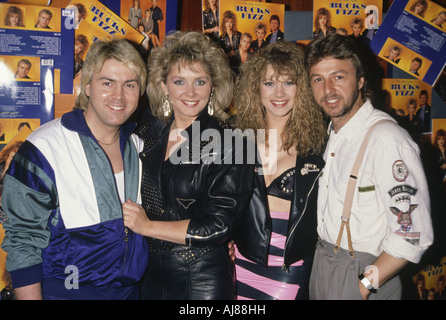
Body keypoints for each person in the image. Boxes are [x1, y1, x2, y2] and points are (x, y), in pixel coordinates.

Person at [1, 39, 149, 300]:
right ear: (87, 86)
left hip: (128, 293)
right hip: (65, 293)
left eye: (130, 84)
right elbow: (23, 241)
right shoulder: (45, 146)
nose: (119, 95)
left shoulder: (139, 147)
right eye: (107, 83)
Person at [123, 31, 254, 300]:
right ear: (163, 86)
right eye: (179, 81)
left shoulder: (231, 142)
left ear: (213, 86)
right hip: (147, 275)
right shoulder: (146, 132)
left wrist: (147, 226)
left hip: (201, 280)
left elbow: (218, 225)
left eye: (200, 81)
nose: (190, 92)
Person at [304, 34, 433, 300]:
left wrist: (362, 285)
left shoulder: (386, 139)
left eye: (338, 77)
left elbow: (412, 235)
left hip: (366, 274)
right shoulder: (333, 135)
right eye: (318, 79)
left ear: (361, 80)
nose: (327, 89)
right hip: (324, 266)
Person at [233, 41, 327, 300]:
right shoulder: (238, 141)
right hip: (235, 267)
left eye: (289, 82)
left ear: (302, 89)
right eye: (270, 82)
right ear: (256, 88)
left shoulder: (318, 148)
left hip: (286, 273)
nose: (279, 93)